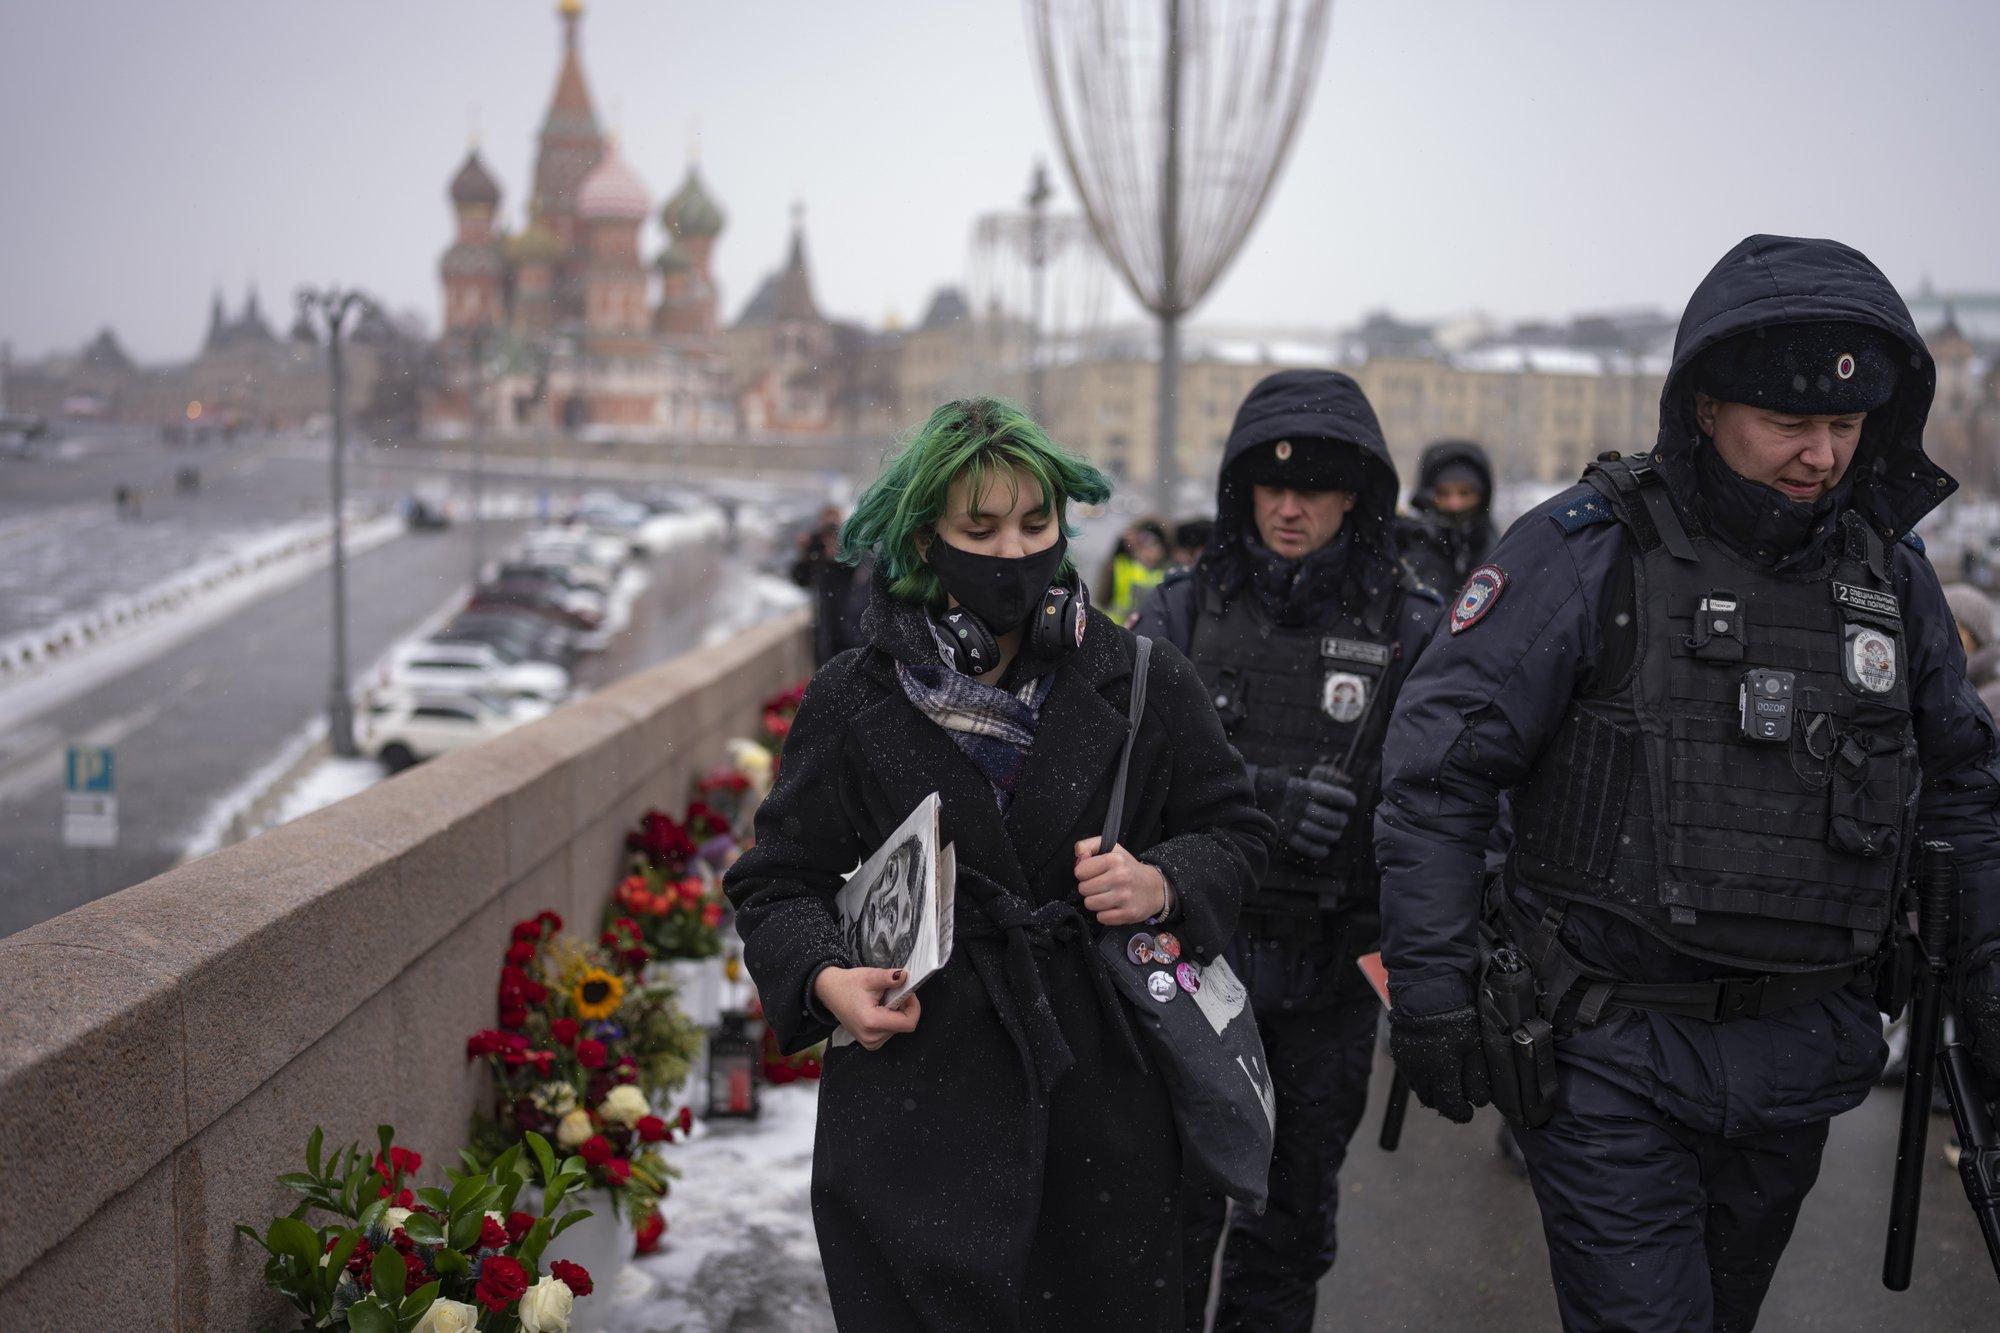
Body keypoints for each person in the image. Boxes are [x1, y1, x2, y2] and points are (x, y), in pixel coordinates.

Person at [1376, 234, 2000, 1332]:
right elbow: (1438, 774)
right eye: (1786, 424)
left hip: (1800, 1052)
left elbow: (1962, 789)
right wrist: (1433, 996)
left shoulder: (1884, 577)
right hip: (1606, 1052)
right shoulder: (1586, 552)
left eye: (1844, 428)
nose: (1818, 455)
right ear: (1704, 406)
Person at [725, 397, 1270, 1331]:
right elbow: (777, 879)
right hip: (915, 1084)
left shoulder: (1145, 677)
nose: (1014, 551)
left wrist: (1161, 880)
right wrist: (828, 980)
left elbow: (1239, 834)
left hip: (1106, 1087)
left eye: (1035, 522)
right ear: (926, 540)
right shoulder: (853, 698)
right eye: (980, 527)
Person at [1135, 368, 1441, 1331]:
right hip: (1190, 969)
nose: (1291, 507)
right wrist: (1263, 801)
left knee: (1290, 1219)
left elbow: (1454, 797)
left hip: (1327, 977)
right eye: (1272, 487)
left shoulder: (1411, 622)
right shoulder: (1182, 611)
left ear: (1355, 493)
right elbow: (1119, 778)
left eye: (1313, 487)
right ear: (1243, 490)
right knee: (1169, 1219)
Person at [1395, 438, 1497, 597]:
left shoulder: (1495, 551)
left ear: (1482, 497)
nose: (1454, 504)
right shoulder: (1407, 544)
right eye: (1443, 493)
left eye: (1465, 493)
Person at [790, 504, 868, 665]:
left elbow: (859, 571)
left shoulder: (850, 548)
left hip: (850, 626)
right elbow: (800, 579)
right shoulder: (816, 550)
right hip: (824, 628)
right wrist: (806, 553)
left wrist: (840, 552)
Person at [1945, 582, 2000, 717]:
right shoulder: (1943, 681)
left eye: (1953, 627)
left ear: (1975, 637)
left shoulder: (1990, 699)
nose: (1944, 636)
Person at [1100, 517, 1171, 622]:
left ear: (1162, 547)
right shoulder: (1119, 565)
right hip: (1119, 630)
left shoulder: (1170, 571)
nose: (1147, 548)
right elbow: (1102, 599)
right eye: (1142, 541)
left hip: (1153, 632)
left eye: (1152, 542)